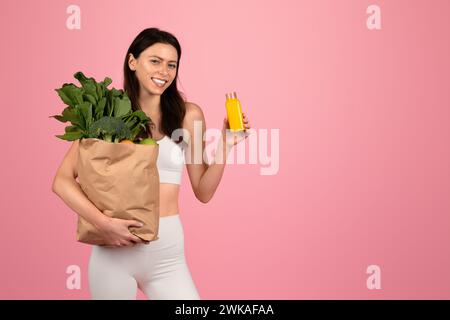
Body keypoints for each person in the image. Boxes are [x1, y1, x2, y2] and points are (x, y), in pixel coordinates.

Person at [52, 27, 251, 300]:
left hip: (169, 257)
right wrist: (104, 224)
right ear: (133, 62)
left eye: (172, 65)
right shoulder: (106, 113)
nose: (164, 72)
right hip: (114, 254)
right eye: (154, 61)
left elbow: (203, 191)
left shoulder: (187, 115)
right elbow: (61, 180)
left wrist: (226, 144)